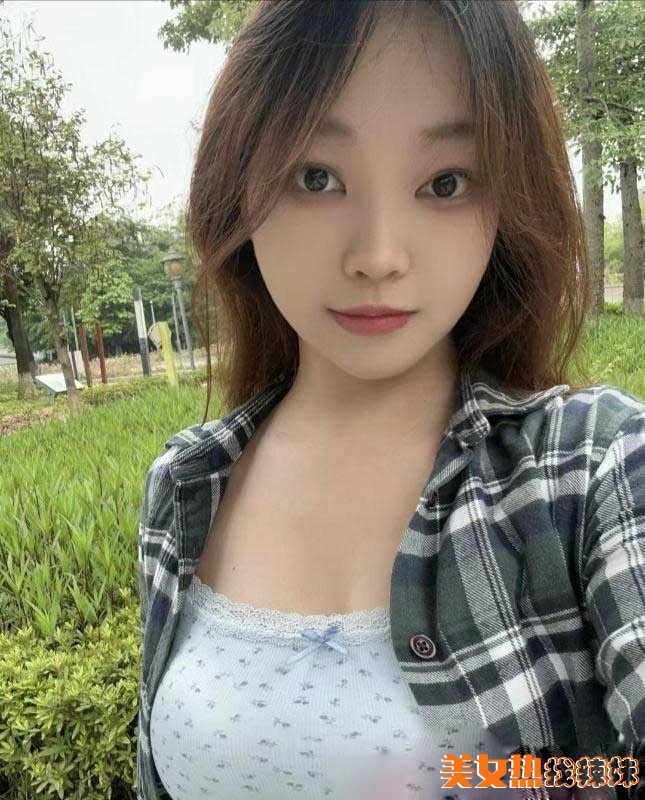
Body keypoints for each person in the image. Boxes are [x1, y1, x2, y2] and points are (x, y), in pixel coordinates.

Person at [136, 2, 645, 799]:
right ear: (239, 187)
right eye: (315, 177)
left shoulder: (593, 471)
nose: (377, 255)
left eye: (445, 183)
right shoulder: (186, 486)